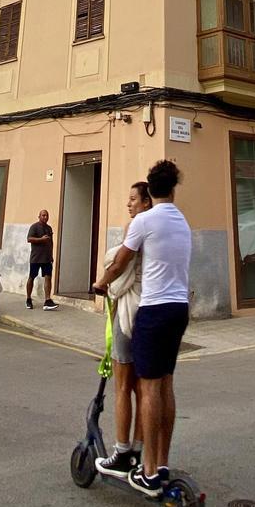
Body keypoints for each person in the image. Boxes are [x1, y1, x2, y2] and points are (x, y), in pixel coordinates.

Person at [92, 160, 191, 497]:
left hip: (154, 310)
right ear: (174, 187)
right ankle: (161, 463)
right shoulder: (182, 221)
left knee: (147, 389)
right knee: (165, 386)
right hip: (180, 310)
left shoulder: (145, 222)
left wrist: (101, 282)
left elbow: (121, 260)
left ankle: (147, 472)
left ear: (150, 190)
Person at [94, 182, 153, 480]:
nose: (128, 204)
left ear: (146, 201)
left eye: (133, 199)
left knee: (122, 386)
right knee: (144, 389)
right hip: (149, 311)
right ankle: (140, 451)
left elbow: (119, 265)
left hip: (129, 309)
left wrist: (102, 282)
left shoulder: (137, 225)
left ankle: (121, 451)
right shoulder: (160, 228)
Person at [26, 209, 59, 310]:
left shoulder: (49, 228)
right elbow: (29, 239)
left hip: (47, 258)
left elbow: (51, 243)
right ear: (39, 216)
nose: (45, 217)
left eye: (47, 215)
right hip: (36, 258)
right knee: (32, 277)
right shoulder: (34, 227)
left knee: (48, 277)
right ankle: (28, 299)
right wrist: (41, 239)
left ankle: (47, 300)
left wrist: (51, 255)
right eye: (43, 215)